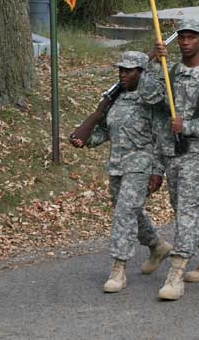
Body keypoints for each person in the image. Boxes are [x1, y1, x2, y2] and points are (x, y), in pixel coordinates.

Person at [139, 19, 199, 301]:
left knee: (187, 206)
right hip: (173, 152)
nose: (186, 42)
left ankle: (176, 272)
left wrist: (187, 126)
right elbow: (150, 98)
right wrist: (152, 62)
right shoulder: (171, 71)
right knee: (183, 207)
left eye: (191, 37)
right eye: (182, 38)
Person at [69, 51, 170, 293]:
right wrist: (87, 139)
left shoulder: (151, 100)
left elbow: (161, 137)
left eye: (129, 70)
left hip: (141, 166)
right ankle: (156, 245)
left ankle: (118, 268)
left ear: (142, 73)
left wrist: (158, 171)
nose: (123, 74)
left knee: (124, 213)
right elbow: (106, 130)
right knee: (129, 211)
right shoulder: (115, 99)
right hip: (117, 165)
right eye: (120, 70)